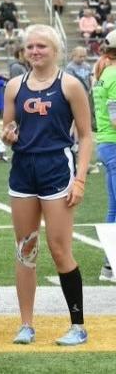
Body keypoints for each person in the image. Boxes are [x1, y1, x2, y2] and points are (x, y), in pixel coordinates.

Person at [0, 25, 92, 346]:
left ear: (55, 50)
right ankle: (26, 324)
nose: (35, 51)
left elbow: (86, 134)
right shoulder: (14, 86)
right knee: (26, 249)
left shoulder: (70, 85)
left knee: (59, 249)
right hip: (23, 172)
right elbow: (7, 128)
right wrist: (8, 135)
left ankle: (78, 325)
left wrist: (80, 179)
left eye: (42, 46)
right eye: (30, 47)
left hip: (57, 170)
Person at [93, 32, 116, 283]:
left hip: (107, 143)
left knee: (114, 208)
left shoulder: (104, 73)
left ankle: (109, 265)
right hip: (114, 143)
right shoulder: (114, 75)